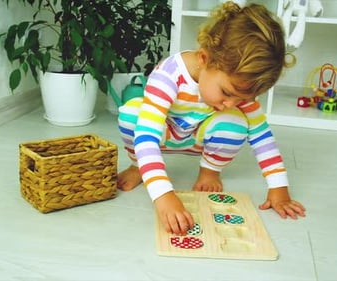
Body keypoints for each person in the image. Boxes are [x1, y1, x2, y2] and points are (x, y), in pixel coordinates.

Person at [116, 1, 306, 236]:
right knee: (131, 114)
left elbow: (261, 135)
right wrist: (163, 195)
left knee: (236, 122)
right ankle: (138, 167)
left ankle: (210, 170)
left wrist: (279, 188)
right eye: (227, 93)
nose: (232, 103)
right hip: (161, 134)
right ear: (205, 59)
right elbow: (146, 135)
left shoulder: (236, 86)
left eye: (242, 98)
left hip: (199, 136)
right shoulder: (168, 75)